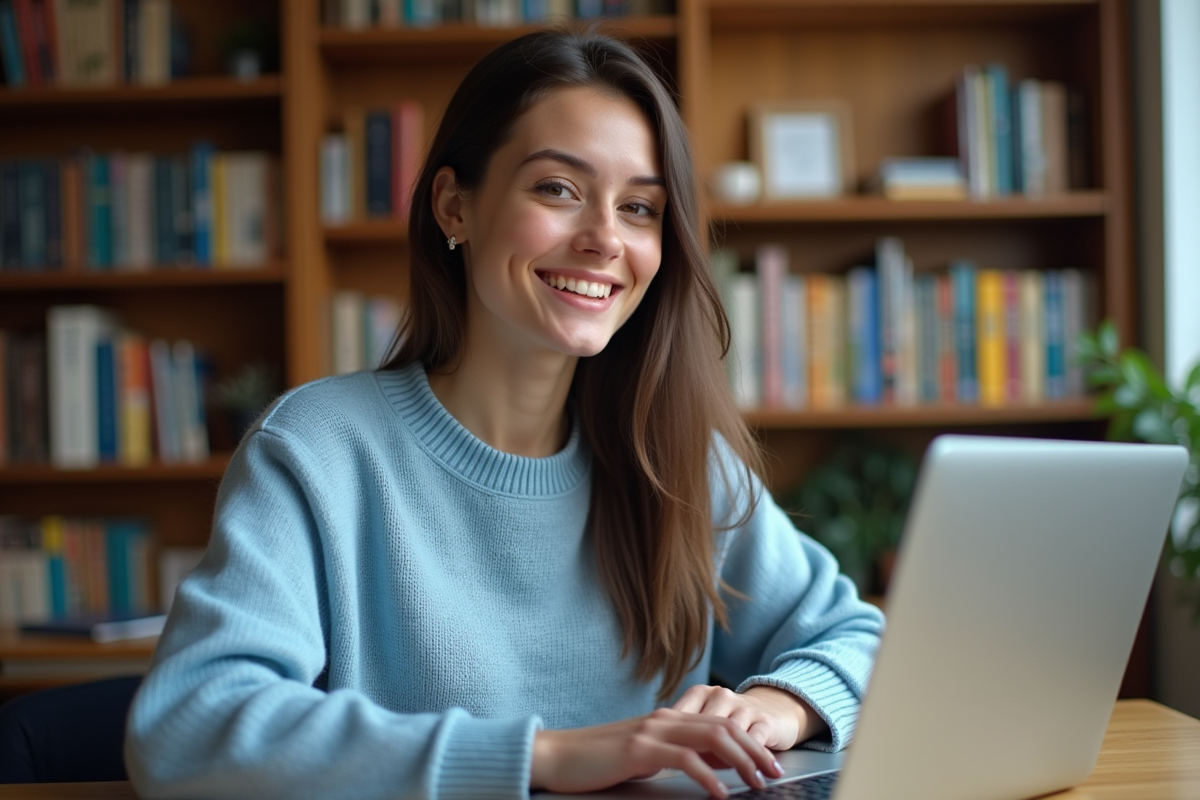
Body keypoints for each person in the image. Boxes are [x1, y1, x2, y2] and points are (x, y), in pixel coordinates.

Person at [124, 28, 884, 800]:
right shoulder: (317, 450)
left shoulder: (677, 460)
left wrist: (780, 707)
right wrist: (543, 757)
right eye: (557, 189)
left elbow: (864, 638)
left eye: (640, 208)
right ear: (456, 206)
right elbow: (189, 726)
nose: (603, 240)